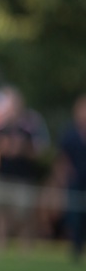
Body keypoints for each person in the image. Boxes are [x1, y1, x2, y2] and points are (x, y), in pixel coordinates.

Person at [0, 84, 49, 250]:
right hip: (2, 176)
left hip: (23, 178)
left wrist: (22, 148)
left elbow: (41, 150)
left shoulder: (31, 123)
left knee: (24, 215)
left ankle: (25, 248)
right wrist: (1, 147)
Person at [57, 94, 86, 261]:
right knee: (75, 216)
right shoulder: (70, 134)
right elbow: (62, 158)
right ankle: (76, 248)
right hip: (75, 181)